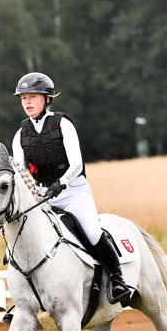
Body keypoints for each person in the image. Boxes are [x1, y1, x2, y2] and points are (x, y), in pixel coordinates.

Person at [11, 71, 131, 307]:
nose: (27, 102)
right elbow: (21, 171)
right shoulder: (20, 134)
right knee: (26, 237)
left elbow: (76, 163)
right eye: (23, 98)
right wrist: (34, 191)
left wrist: (61, 183)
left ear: (47, 98)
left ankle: (118, 280)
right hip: (42, 196)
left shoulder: (62, 124)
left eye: (32, 97)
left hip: (73, 191)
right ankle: (24, 298)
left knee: (92, 232)